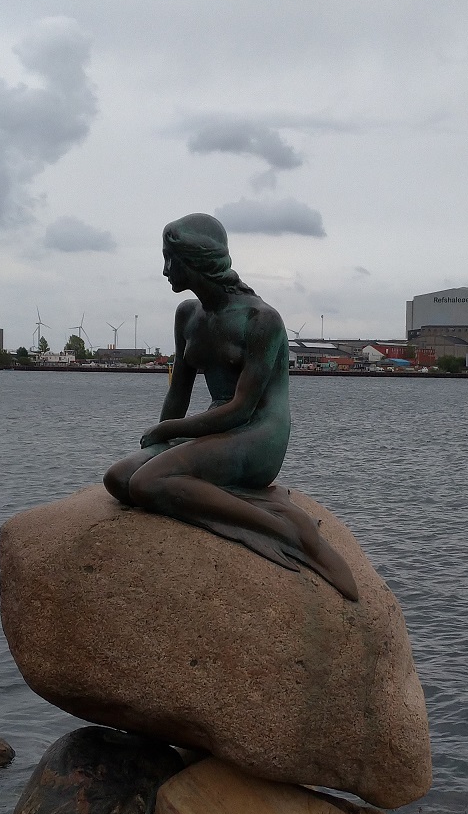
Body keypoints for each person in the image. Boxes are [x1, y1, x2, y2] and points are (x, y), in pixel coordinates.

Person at [103, 213, 358, 600]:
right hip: (216, 428)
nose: (165, 270)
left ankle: (290, 531)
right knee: (120, 479)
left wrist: (169, 432)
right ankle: (231, 498)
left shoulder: (261, 320)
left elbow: (242, 408)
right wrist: (159, 446)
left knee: (147, 482)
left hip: (257, 434)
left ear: (197, 260)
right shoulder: (187, 315)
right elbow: (179, 393)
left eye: (172, 259)